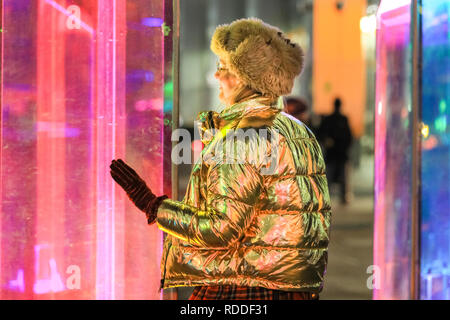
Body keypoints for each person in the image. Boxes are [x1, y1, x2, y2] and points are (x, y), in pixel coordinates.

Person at [110, 18, 331, 300]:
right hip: (291, 286)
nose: (216, 77)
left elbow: (220, 229)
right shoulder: (297, 130)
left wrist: (152, 205)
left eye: (222, 68)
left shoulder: (243, 135)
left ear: (244, 78)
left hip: (243, 287)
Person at [317, 98, 353, 204]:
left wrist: (327, 142)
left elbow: (320, 134)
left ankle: (326, 198)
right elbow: (349, 137)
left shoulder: (329, 120)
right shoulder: (343, 119)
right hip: (341, 154)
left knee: (329, 178)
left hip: (332, 154)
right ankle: (343, 198)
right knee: (343, 178)